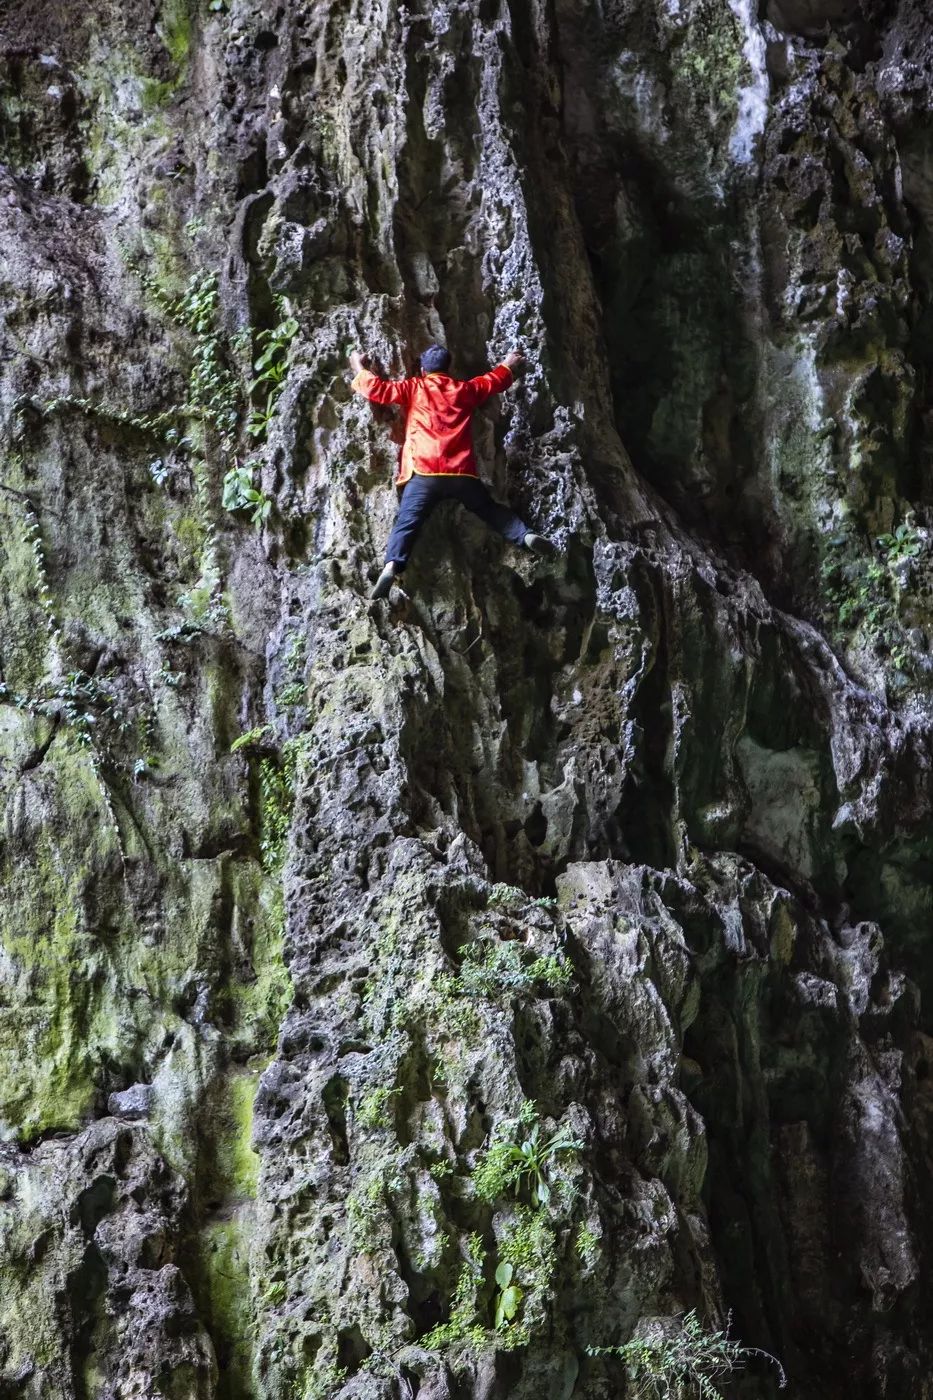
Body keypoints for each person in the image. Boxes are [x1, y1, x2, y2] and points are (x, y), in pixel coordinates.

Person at [349, 343, 557, 599]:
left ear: (424, 370)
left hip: (424, 473)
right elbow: (491, 381)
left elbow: (377, 390)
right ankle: (524, 536)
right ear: (448, 368)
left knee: (406, 523)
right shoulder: (463, 389)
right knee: (489, 510)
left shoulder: (415, 387)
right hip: (461, 474)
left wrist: (358, 364)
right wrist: (508, 364)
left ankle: (393, 564)